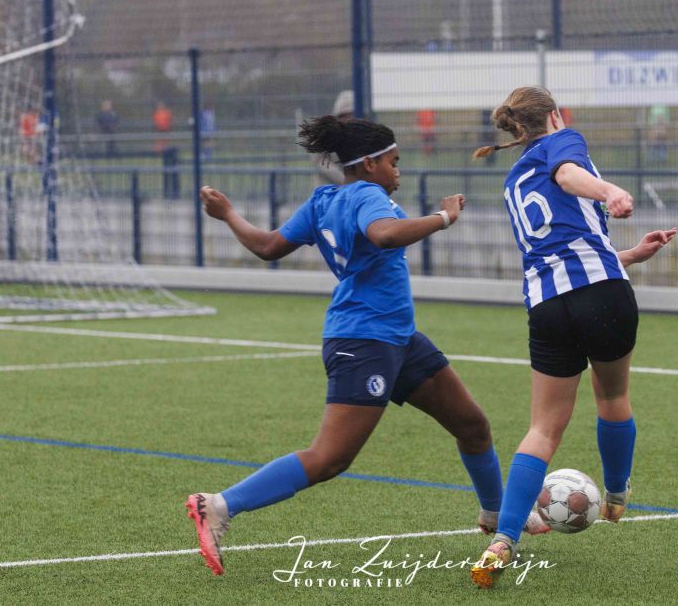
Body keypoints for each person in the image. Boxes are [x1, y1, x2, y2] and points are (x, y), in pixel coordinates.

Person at [185, 115, 547, 576]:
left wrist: (229, 215)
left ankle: (495, 515)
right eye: (394, 162)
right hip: (365, 342)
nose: (398, 172)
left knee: (472, 425)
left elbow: (269, 246)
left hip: (398, 338)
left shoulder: (324, 200)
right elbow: (384, 234)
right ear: (370, 163)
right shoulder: (368, 196)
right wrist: (443, 218)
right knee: (330, 458)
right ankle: (218, 505)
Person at [469, 86, 676, 588]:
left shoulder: (514, 180)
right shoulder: (563, 141)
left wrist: (628, 255)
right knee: (612, 396)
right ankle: (617, 495)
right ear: (556, 116)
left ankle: (503, 541)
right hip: (601, 295)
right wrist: (610, 192)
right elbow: (567, 174)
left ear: (516, 129)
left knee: (543, 428)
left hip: (547, 304)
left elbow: (559, 247)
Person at [312, 90, 353, 185]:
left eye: (351, 114)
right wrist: (347, 182)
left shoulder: (364, 135)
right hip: (332, 189)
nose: (348, 119)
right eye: (343, 116)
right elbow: (322, 163)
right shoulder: (326, 135)